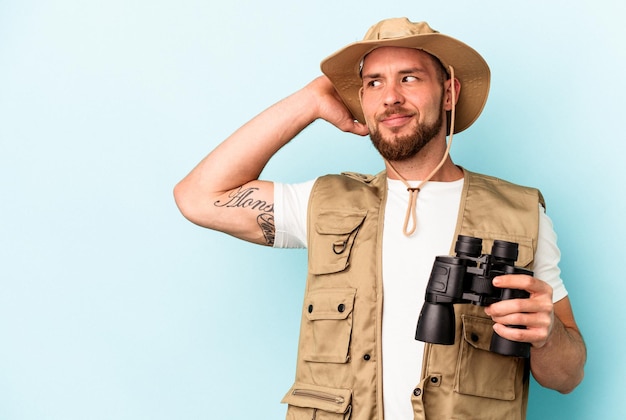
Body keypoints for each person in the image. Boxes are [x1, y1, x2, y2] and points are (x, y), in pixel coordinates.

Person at [174, 17, 586, 420]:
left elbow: (568, 378)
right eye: (373, 83)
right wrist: (311, 100)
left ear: (449, 93)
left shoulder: (520, 214)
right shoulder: (323, 204)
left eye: (409, 78)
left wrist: (547, 337)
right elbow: (198, 197)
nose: (390, 97)